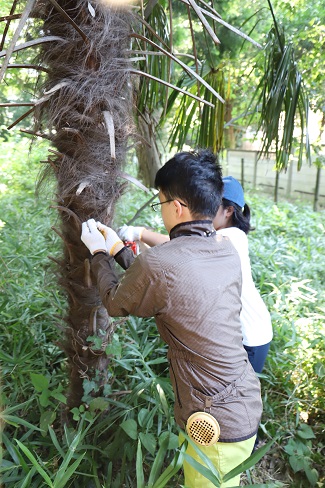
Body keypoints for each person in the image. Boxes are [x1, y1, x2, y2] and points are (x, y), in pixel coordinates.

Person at [80, 149, 262, 487]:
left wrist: (99, 254)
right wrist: (120, 249)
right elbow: (167, 282)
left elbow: (118, 303)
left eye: (160, 202)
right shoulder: (225, 251)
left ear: (176, 206)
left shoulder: (162, 263)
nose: (161, 210)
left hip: (215, 420)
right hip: (240, 398)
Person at [119, 176, 273, 374]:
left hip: (250, 336)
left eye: (211, 206)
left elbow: (183, 247)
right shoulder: (213, 238)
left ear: (229, 211)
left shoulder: (233, 237)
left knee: (236, 396)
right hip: (236, 334)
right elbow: (180, 255)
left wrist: (140, 232)